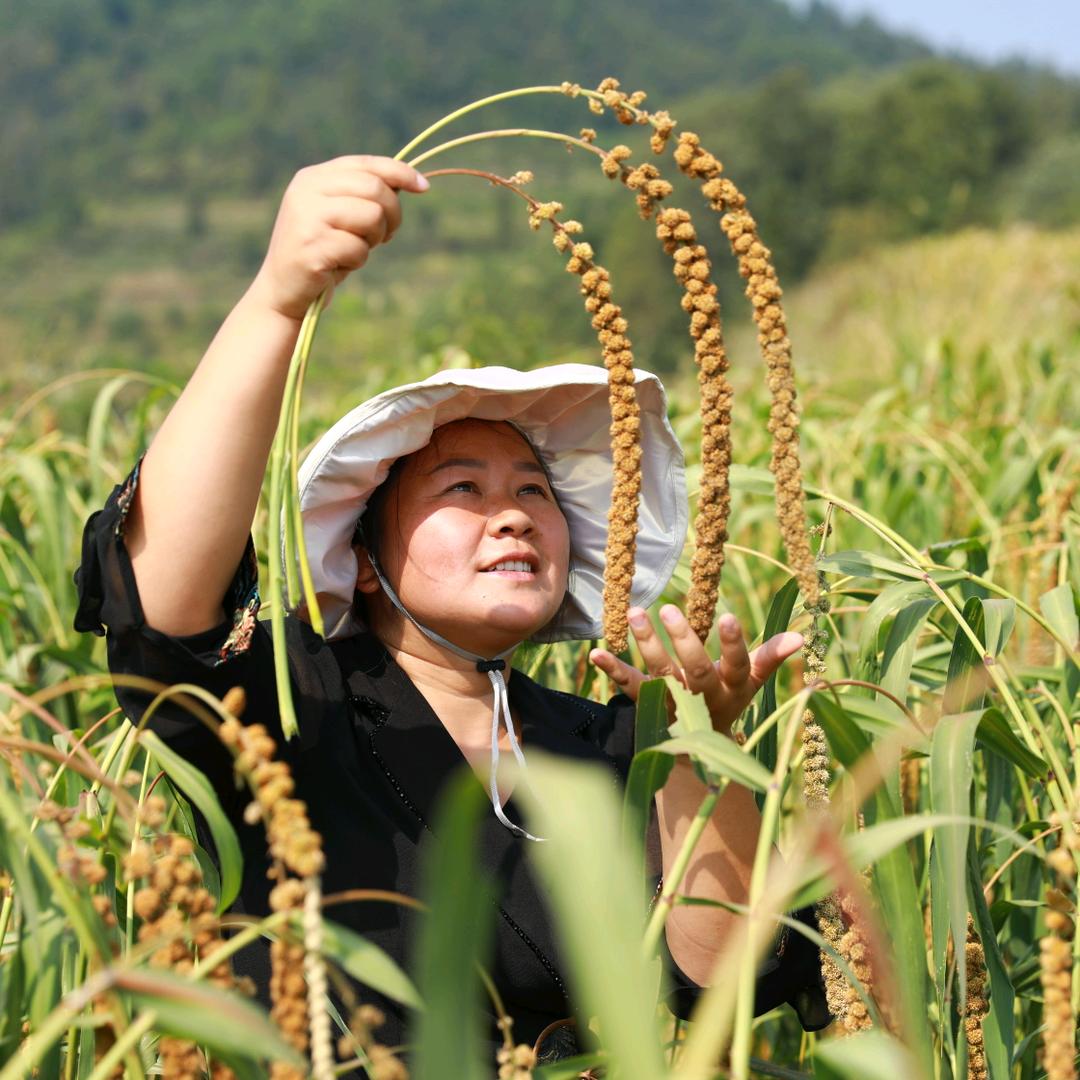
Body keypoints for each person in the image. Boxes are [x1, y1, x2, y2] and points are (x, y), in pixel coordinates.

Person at [74, 156, 830, 1066]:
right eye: (461, 487)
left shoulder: (606, 742)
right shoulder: (296, 701)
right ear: (361, 561)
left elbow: (724, 981)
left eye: (532, 492)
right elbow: (162, 605)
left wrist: (691, 753)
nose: (512, 513)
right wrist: (278, 299)